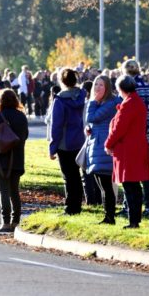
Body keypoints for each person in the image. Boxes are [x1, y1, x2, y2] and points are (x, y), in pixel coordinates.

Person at [105, 75, 149, 229]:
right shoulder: (136, 101)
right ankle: (135, 219)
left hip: (127, 150)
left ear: (120, 89)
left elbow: (119, 129)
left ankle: (133, 220)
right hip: (136, 148)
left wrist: (108, 144)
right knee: (134, 186)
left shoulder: (128, 104)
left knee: (130, 186)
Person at [0, 89, 29, 233]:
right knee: (14, 191)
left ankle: (5, 222)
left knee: (3, 191)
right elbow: (25, 135)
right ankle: (15, 221)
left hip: (1, 158)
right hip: (17, 158)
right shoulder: (22, 116)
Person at [119, 59, 149, 218]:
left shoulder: (130, 88)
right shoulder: (148, 88)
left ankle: (129, 206)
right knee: (145, 172)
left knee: (130, 175)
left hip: (132, 135)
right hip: (145, 134)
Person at [49, 68, 87, 215]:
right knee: (77, 176)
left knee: (68, 177)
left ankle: (71, 207)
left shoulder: (59, 100)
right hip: (79, 140)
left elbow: (56, 125)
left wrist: (52, 148)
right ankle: (77, 204)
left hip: (64, 143)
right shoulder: (82, 96)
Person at [85, 75, 121, 224]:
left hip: (104, 149)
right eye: (95, 85)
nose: (97, 88)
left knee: (106, 185)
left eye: (101, 85)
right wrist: (89, 129)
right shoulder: (101, 103)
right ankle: (108, 215)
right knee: (102, 185)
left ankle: (110, 217)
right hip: (97, 147)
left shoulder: (110, 103)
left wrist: (92, 101)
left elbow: (92, 117)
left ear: (107, 87)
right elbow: (93, 123)